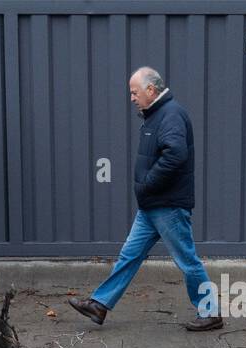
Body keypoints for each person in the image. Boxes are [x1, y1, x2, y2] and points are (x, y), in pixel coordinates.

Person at [68, 67, 220, 331]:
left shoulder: (170, 115)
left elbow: (175, 155)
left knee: (187, 260)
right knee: (129, 255)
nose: (132, 98)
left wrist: (148, 183)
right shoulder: (157, 115)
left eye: (134, 92)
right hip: (152, 206)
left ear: (151, 90)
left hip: (168, 206)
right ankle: (100, 305)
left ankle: (211, 313)